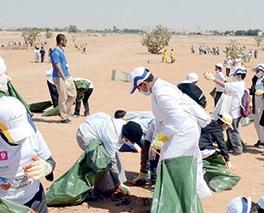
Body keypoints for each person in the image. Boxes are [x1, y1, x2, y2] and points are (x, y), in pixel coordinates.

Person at [129, 66, 211, 199]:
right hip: (183, 130)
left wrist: (158, 141)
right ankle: (194, 198)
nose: (140, 91)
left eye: (138, 88)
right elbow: (167, 119)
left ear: (144, 83)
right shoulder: (161, 88)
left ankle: (174, 205)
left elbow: (177, 119)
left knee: (169, 167)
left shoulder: (161, 93)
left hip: (183, 132)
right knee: (182, 166)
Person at [75, 112, 143, 195]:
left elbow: (114, 153)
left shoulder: (123, 126)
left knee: (115, 154)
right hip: (85, 135)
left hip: (98, 134)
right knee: (102, 160)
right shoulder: (112, 137)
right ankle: (102, 189)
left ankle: (116, 183)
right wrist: (119, 183)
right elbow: (111, 161)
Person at [205, 66, 247, 155]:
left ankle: (238, 149)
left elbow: (225, 85)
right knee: (230, 130)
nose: (234, 77)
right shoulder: (239, 84)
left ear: (239, 76)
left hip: (234, 112)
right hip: (233, 111)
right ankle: (232, 147)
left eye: (235, 75)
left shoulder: (238, 85)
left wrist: (214, 79)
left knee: (233, 130)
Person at [51, 34, 76, 124]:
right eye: (65, 40)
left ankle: (65, 112)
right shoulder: (55, 52)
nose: (66, 42)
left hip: (66, 76)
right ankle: (63, 117)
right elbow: (58, 67)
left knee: (73, 95)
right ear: (61, 41)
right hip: (60, 77)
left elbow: (65, 65)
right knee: (63, 97)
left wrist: (69, 76)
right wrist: (64, 79)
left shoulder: (62, 51)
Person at [249, 63, 264, 149]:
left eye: (258, 71)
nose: (257, 73)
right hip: (256, 102)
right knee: (256, 121)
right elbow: (253, 90)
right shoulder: (255, 79)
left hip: (263, 102)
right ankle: (260, 138)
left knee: (262, 122)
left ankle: (263, 141)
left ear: (263, 71)